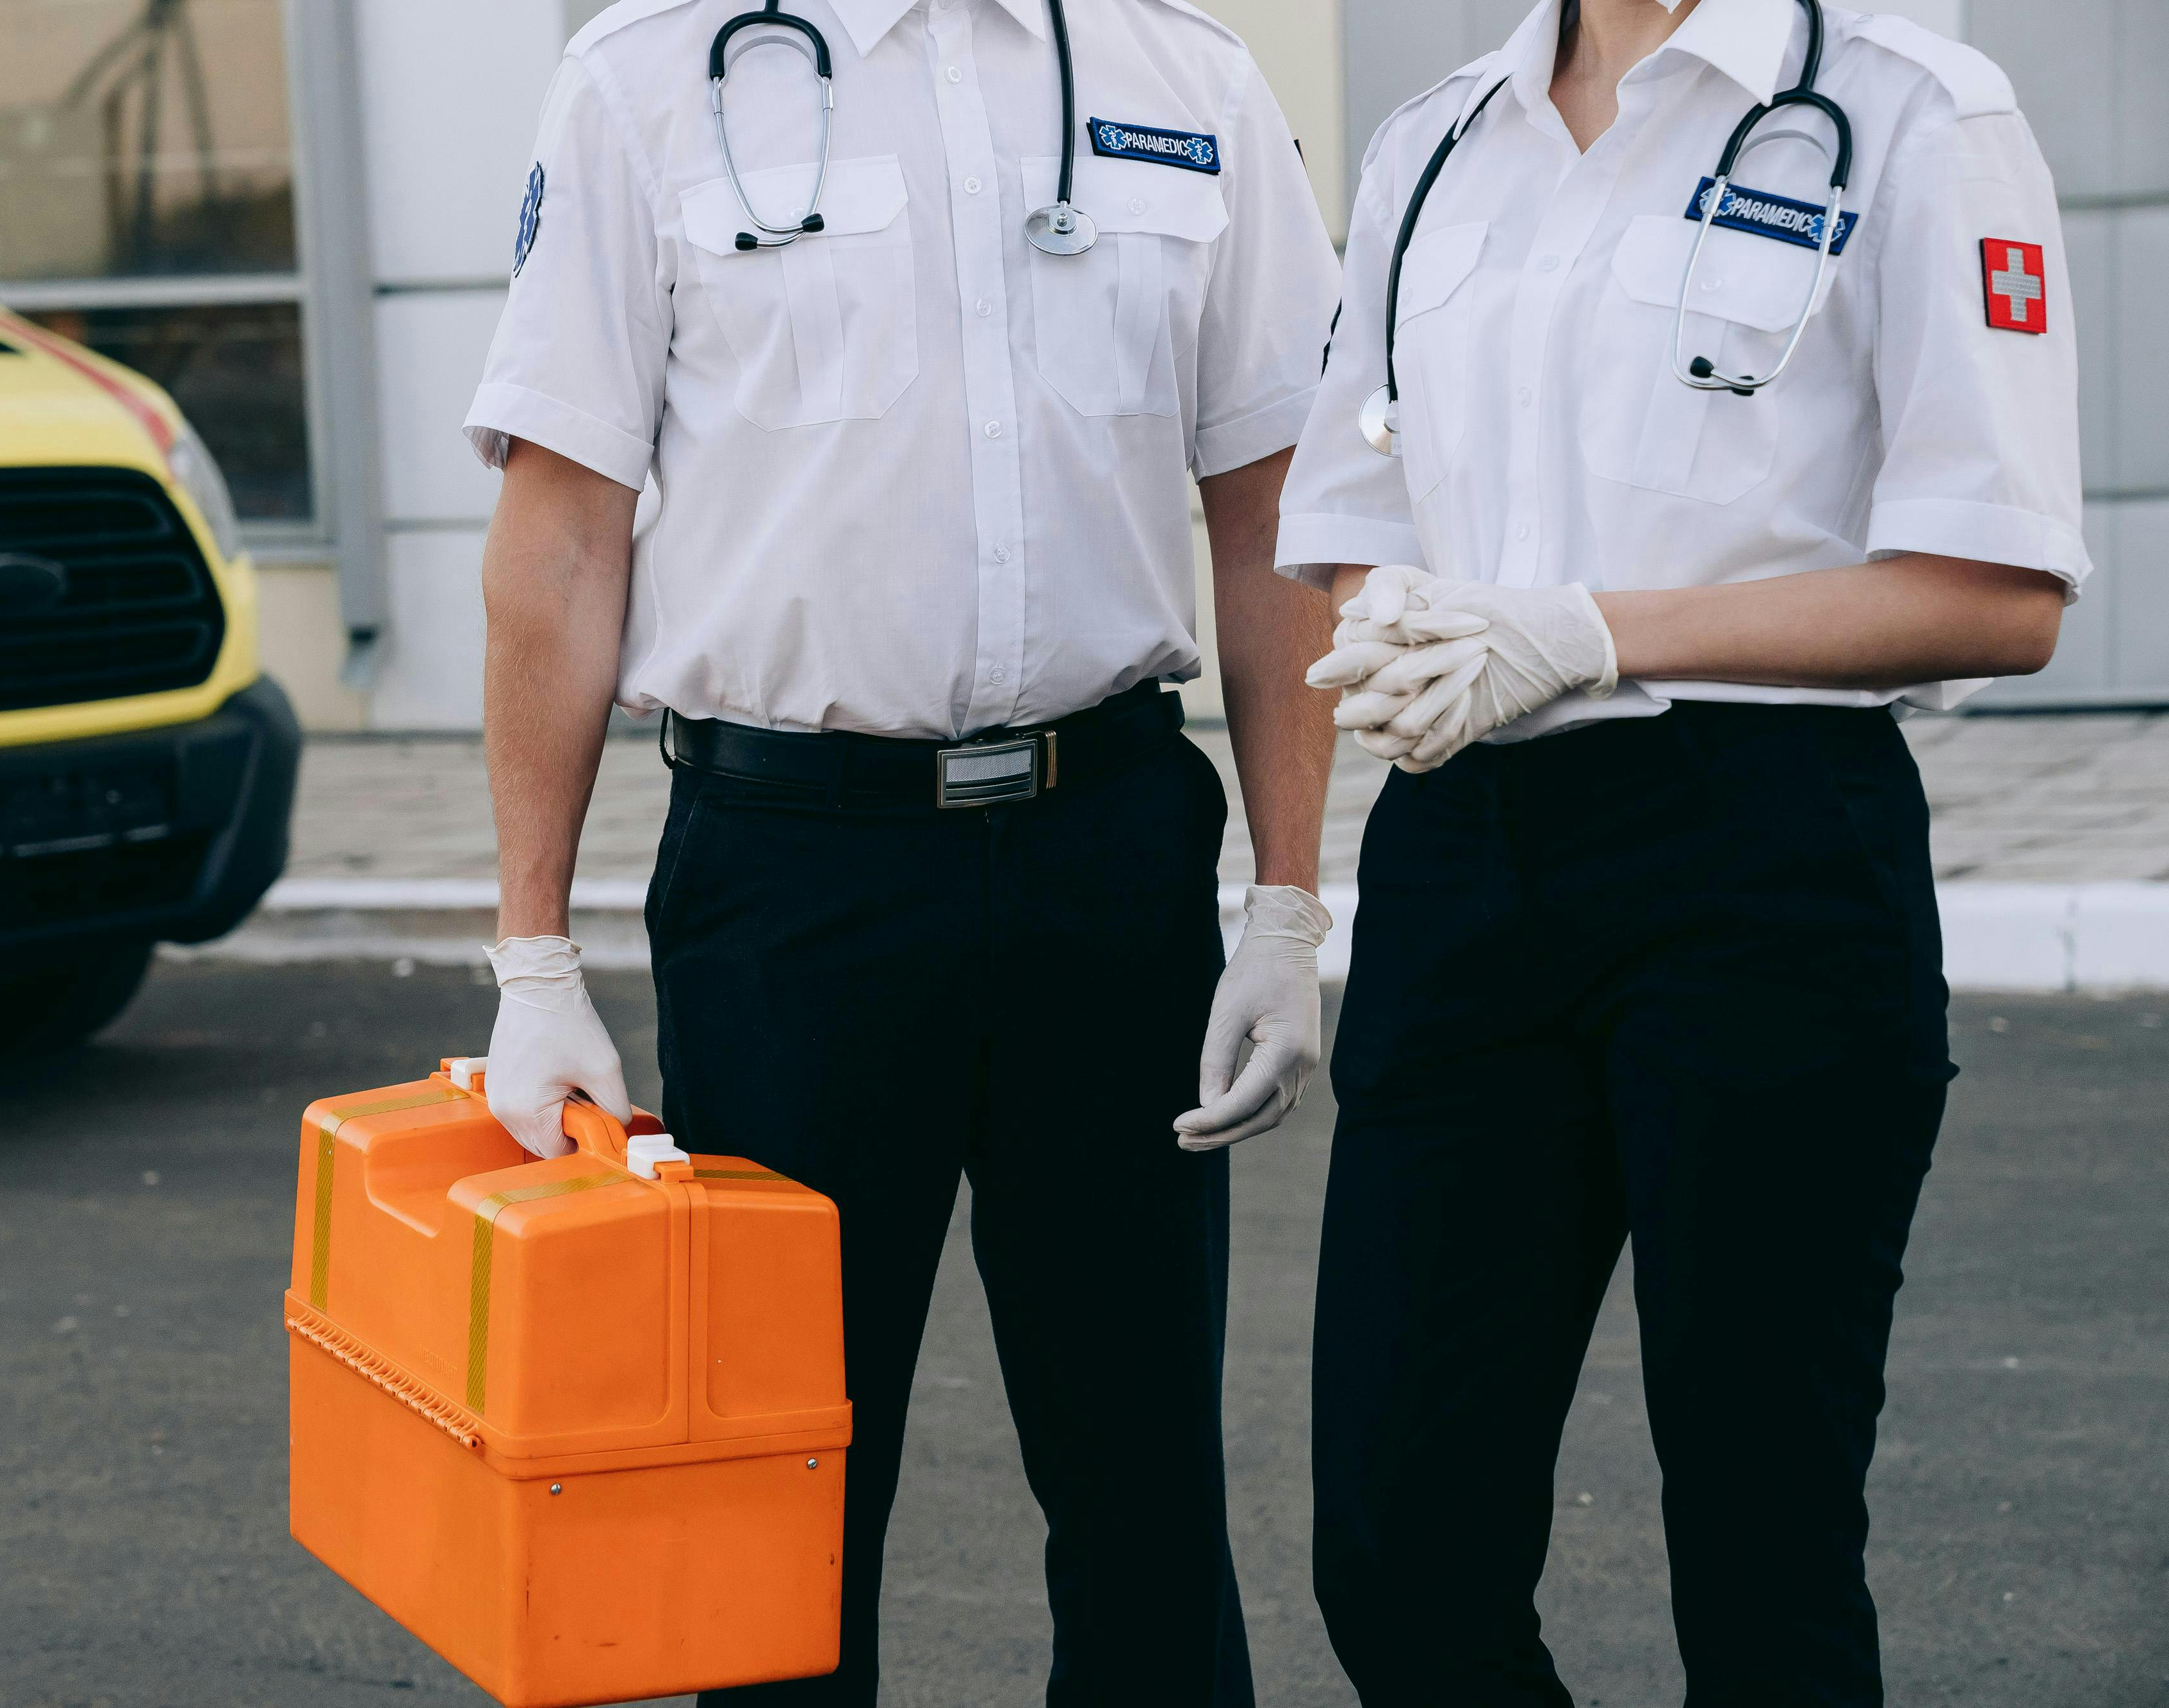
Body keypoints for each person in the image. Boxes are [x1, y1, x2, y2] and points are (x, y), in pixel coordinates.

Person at [463, 0, 1341, 1698]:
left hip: (1114, 862)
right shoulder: (647, 80)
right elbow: (562, 536)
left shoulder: (1186, 81)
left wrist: (1289, 904)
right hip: (793, 889)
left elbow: (1278, 507)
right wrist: (533, 955)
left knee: (1145, 1483)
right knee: (780, 1511)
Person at [1277, 0, 2081, 1702]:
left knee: (1762, 1558)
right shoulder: (1435, 146)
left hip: (1766, 855)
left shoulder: (1911, 114)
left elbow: (1996, 590)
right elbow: (1349, 531)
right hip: (1466, 858)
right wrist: (1407, 627)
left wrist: (1590, 626)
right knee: (1398, 1556)